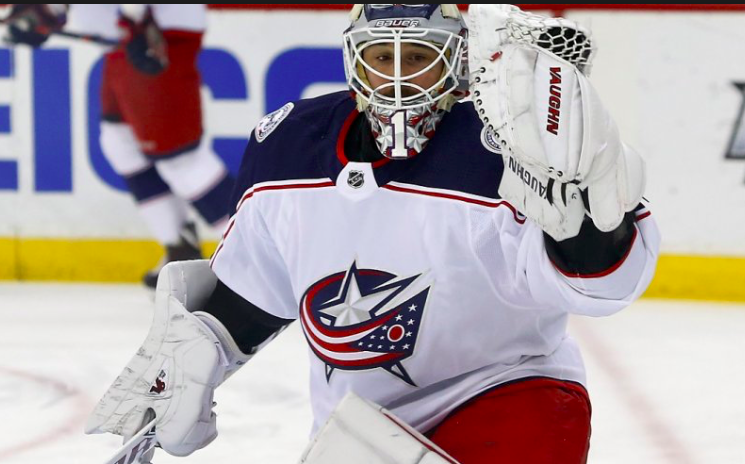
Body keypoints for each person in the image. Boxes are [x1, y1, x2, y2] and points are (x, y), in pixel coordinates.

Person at [85, 4, 660, 464]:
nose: (398, 77)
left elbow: (606, 288)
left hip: (507, 395)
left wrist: (584, 223)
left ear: (456, 65)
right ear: (353, 60)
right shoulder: (289, 148)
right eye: (382, 56)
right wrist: (198, 354)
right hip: (360, 424)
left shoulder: (507, 151)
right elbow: (256, 289)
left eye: (419, 57)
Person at [6, 4, 235, 288]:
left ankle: (255, 253)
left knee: (181, 159)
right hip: (125, 40)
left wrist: (137, 20)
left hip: (155, 35)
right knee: (120, 142)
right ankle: (179, 248)